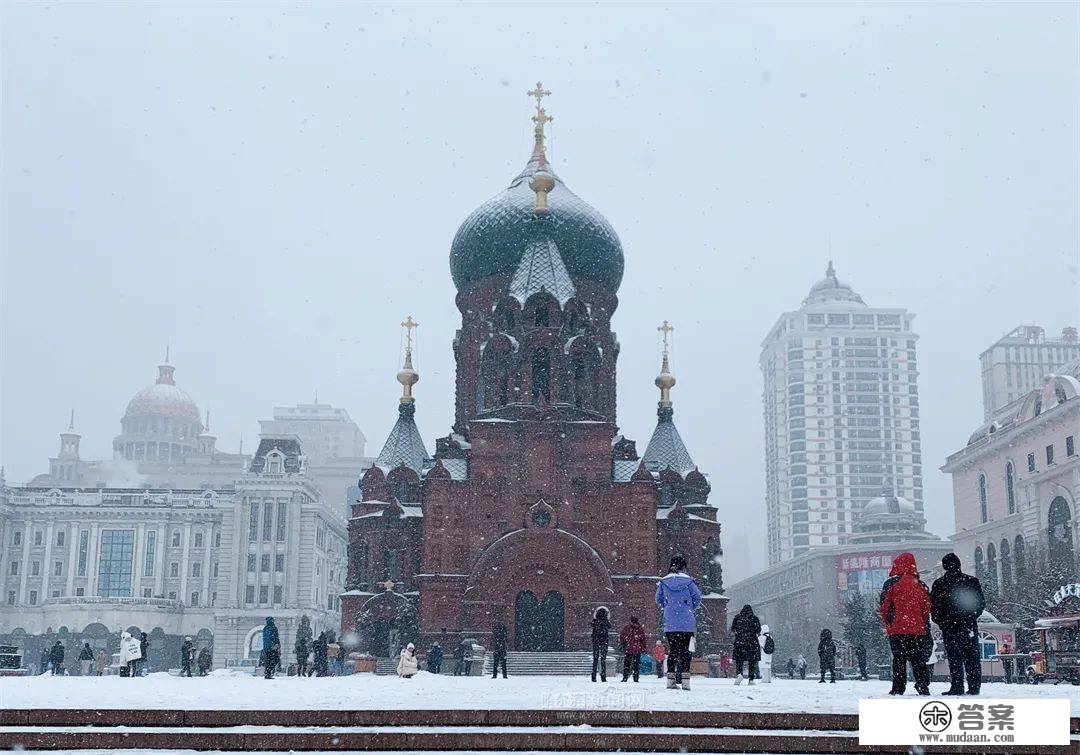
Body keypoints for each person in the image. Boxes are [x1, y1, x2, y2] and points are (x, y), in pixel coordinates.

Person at [930, 552, 985, 696]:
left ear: (944, 566)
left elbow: (934, 607)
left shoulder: (939, 584)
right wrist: (971, 617)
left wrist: (942, 622)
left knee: (954, 658)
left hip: (950, 628)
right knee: (972, 658)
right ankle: (974, 686)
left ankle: (957, 686)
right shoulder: (971, 581)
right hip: (968, 627)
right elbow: (980, 604)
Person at [879, 551, 932, 696]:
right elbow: (926, 608)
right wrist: (920, 622)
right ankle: (922, 685)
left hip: (897, 630)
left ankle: (898, 687)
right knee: (918, 659)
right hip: (917, 629)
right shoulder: (921, 585)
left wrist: (889, 622)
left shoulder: (891, 584)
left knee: (899, 659)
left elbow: (884, 606)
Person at [655, 555, 701, 691]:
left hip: (671, 623)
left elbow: (658, 599)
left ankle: (670, 681)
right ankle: (686, 681)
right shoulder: (689, 582)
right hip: (688, 623)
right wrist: (689, 608)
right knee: (687, 652)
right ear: (683, 566)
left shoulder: (664, 582)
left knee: (673, 652)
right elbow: (697, 598)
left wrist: (668, 607)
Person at [730, 604, 761, 686]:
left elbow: (733, 628)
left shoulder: (737, 618)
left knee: (739, 661)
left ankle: (739, 674)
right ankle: (751, 679)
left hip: (740, 642)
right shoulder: (754, 618)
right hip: (752, 643)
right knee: (752, 662)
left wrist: (740, 632)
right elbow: (758, 630)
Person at [619, 616, 646, 683]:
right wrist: (643, 648)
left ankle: (625, 677)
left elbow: (622, 636)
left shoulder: (627, 627)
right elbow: (643, 639)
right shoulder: (640, 628)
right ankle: (636, 678)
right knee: (636, 665)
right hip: (637, 649)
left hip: (628, 648)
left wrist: (623, 644)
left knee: (627, 664)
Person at [590, 607, 611, 682]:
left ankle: (594, 676)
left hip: (596, 641)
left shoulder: (595, 621)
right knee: (603, 660)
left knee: (595, 659)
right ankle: (603, 676)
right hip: (604, 641)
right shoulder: (605, 621)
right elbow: (609, 626)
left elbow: (592, 625)